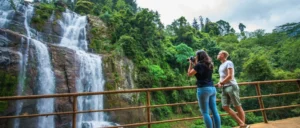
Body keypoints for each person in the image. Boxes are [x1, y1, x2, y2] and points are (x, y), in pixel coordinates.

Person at [187, 50, 221, 128]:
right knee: (215, 111)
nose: (195, 57)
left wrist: (190, 64)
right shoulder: (210, 64)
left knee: (205, 112)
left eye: (196, 56)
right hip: (212, 88)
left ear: (199, 56)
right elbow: (200, 70)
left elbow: (189, 74)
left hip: (203, 89)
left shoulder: (198, 65)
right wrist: (195, 64)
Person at [216, 50, 250, 128]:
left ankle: (242, 125)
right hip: (224, 87)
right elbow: (223, 77)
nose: (217, 55)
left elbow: (230, 76)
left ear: (223, 55)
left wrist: (221, 83)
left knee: (237, 106)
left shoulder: (229, 63)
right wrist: (219, 82)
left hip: (231, 86)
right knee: (225, 106)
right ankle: (242, 124)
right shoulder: (221, 66)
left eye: (219, 54)